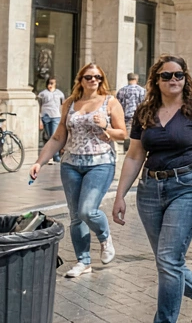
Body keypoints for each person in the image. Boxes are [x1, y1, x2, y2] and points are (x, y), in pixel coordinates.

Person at [110, 55, 192, 323]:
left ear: (186, 79)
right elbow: (134, 155)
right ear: (156, 80)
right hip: (149, 190)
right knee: (167, 261)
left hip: (188, 187)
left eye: (178, 75)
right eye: (165, 76)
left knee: (167, 258)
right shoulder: (144, 112)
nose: (173, 80)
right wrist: (120, 194)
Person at [29, 63, 128, 277]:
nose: (94, 80)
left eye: (98, 77)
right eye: (89, 77)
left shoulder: (110, 102)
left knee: (87, 210)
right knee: (75, 217)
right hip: (71, 163)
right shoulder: (70, 103)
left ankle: (104, 237)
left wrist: (105, 126)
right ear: (80, 79)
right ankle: (83, 261)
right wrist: (40, 162)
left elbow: (123, 134)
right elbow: (58, 137)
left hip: (101, 162)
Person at [115, 73, 147, 151]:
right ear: (137, 79)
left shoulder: (122, 91)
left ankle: (127, 149)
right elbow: (144, 104)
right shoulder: (142, 91)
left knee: (128, 133)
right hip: (139, 116)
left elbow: (117, 105)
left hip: (126, 115)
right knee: (138, 134)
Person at [37, 77, 64, 147]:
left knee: (53, 136)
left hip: (56, 116)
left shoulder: (60, 93)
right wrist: (39, 119)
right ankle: (51, 153)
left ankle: (56, 156)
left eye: (52, 83)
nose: (50, 84)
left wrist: (63, 117)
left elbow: (62, 105)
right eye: (49, 83)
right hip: (45, 116)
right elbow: (39, 106)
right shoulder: (42, 94)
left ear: (55, 84)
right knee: (49, 136)